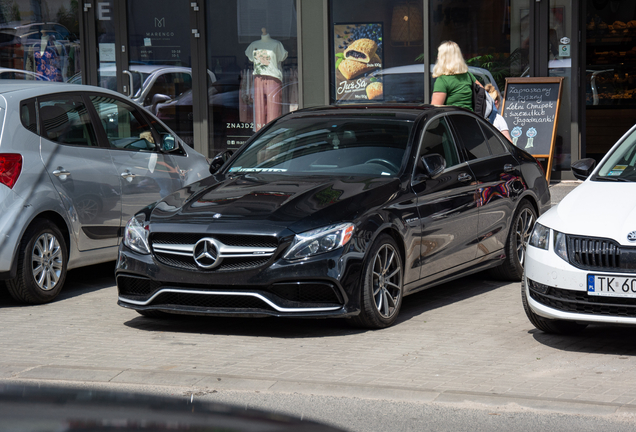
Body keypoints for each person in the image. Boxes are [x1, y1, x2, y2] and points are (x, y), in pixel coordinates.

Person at [431, 41, 479, 111]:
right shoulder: (468, 76)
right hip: (470, 119)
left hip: (451, 120)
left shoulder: (442, 80)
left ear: (443, 59)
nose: (437, 58)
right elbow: (482, 93)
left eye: (439, 55)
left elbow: (434, 110)